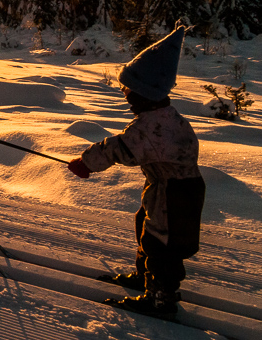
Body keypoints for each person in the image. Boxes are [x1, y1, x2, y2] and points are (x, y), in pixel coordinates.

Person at [67, 23, 205, 316]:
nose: (125, 94)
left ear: (145, 92)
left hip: (173, 193)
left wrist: (86, 162)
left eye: (128, 89)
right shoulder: (168, 117)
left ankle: (160, 300)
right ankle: (146, 280)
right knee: (147, 228)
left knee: (161, 245)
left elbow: (120, 148)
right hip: (171, 189)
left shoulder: (150, 126)